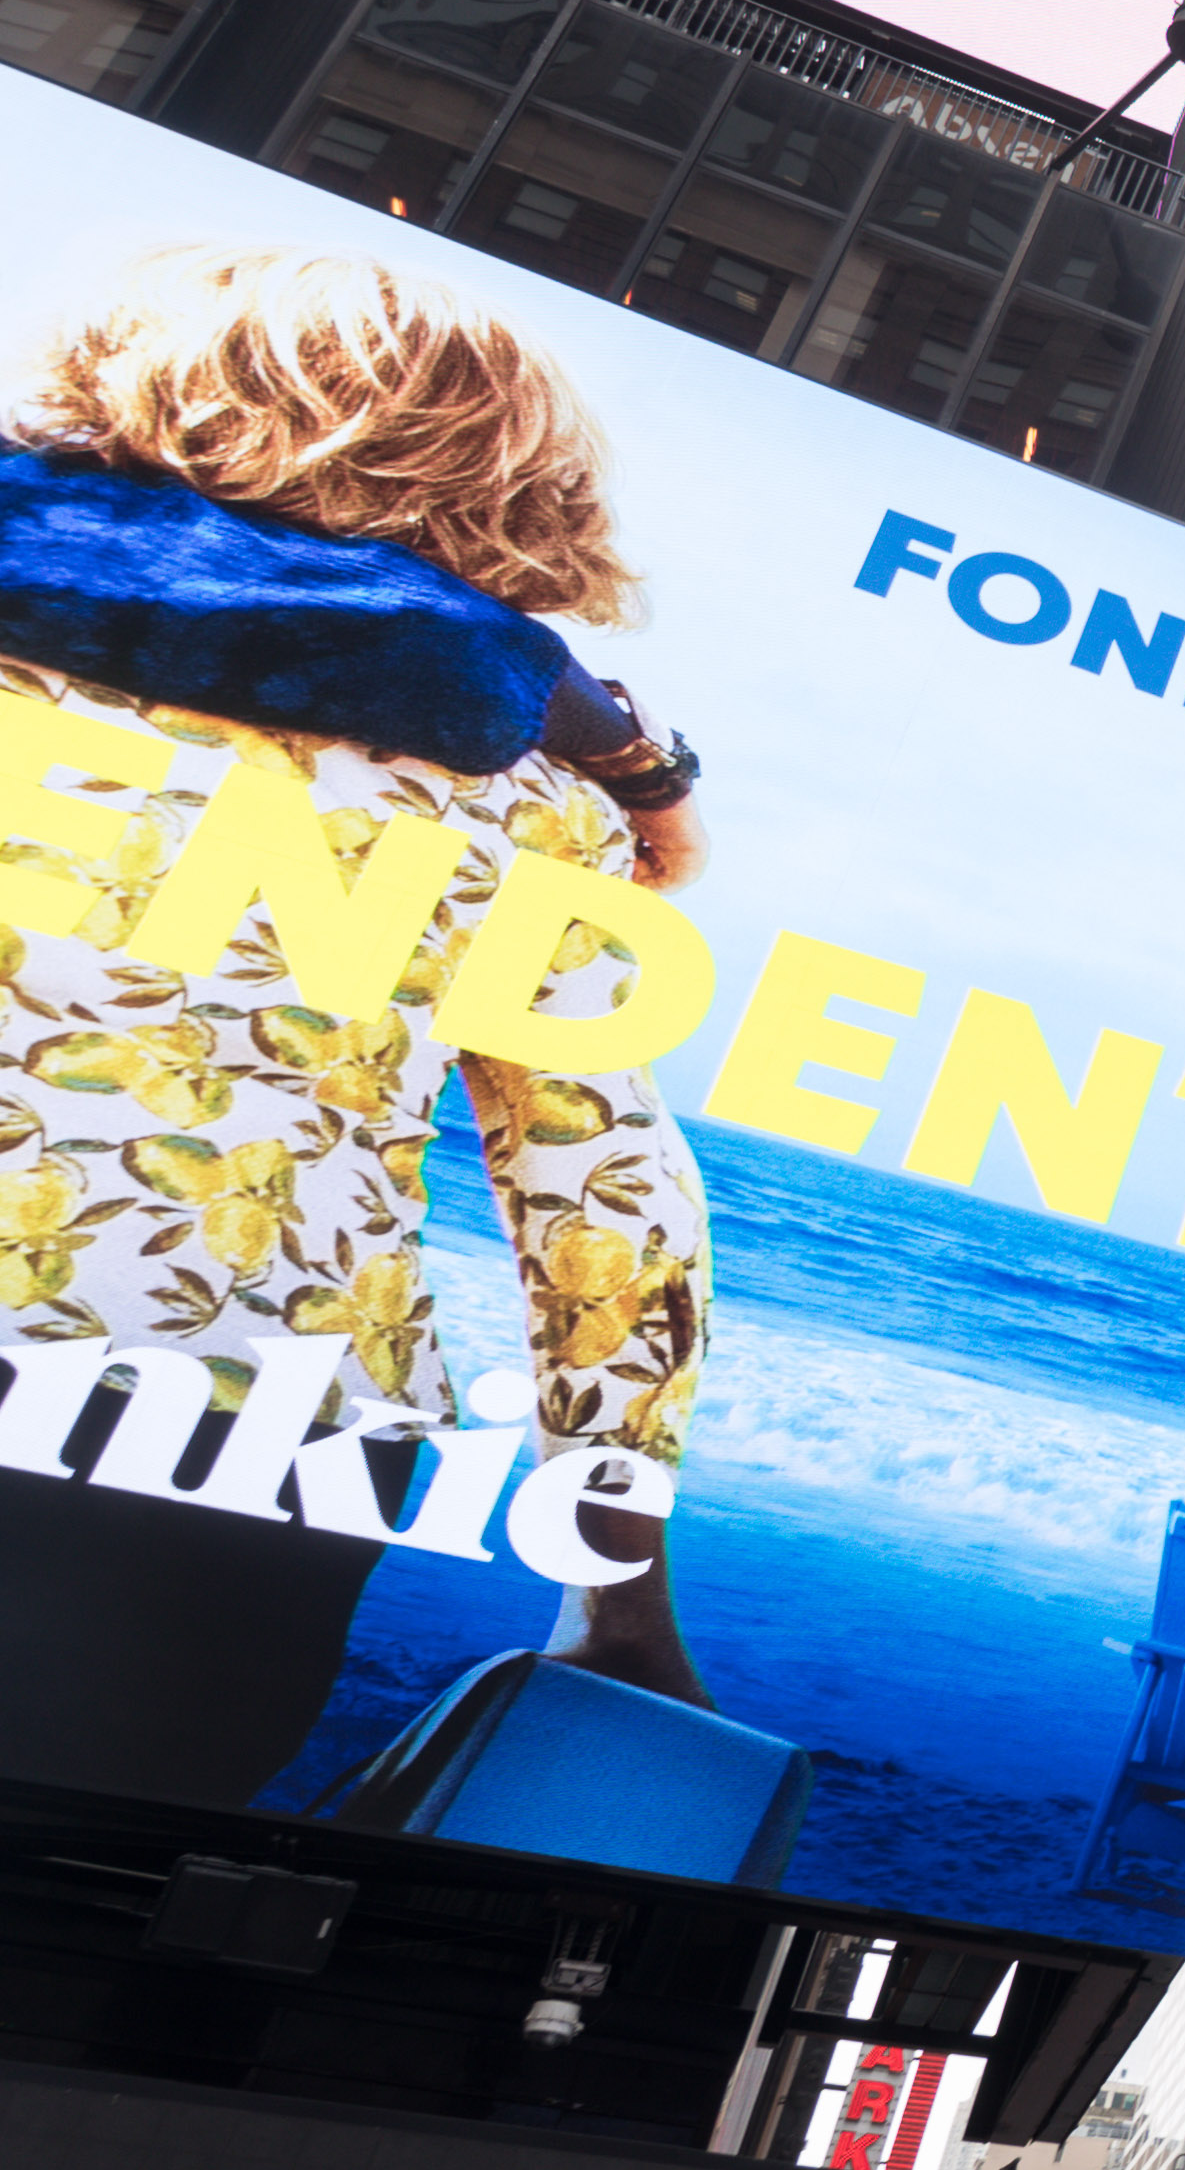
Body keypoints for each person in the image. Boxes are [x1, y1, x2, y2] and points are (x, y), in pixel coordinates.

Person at [0, 246, 712, 1782]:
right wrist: (617, 1591)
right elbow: (606, 1199)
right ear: (511, 489)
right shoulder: (527, 805)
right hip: (247, 1457)